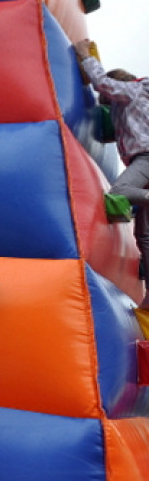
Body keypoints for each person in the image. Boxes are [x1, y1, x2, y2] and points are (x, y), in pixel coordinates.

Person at [76, 39, 149, 304]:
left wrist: (85, 56)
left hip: (146, 156)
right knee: (143, 235)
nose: (106, 103)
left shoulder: (132, 90)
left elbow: (104, 84)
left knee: (118, 191)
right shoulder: (136, 100)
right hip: (141, 161)